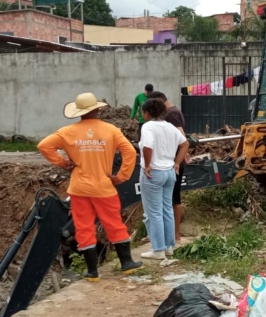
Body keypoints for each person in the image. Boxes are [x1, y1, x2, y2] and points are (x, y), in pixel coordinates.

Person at [37, 92, 142, 281]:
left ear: (79, 112)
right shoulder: (111, 130)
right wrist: (121, 176)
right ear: (97, 110)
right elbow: (130, 153)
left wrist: (63, 163)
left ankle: (92, 271)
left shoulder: (67, 132)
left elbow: (44, 146)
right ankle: (127, 264)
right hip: (104, 188)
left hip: (79, 189)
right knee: (114, 224)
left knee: (84, 227)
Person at [138, 98, 189, 261]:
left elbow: (148, 146)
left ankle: (157, 249)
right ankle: (169, 247)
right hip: (169, 172)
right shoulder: (170, 127)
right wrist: (177, 163)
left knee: (154, 212)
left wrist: (147, 165)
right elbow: (185, 144)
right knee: (167, 208)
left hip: (153, 173)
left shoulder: (148, 127)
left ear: (147, 113)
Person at [148, 91, 190, 244]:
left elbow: (181, 136)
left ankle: (174, 235)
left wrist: (179, 159)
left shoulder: (171, 114)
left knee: (172, 200)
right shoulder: (174, 111)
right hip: (173, 163)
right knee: (170, 199)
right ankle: (166, 234)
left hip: (171, 165)